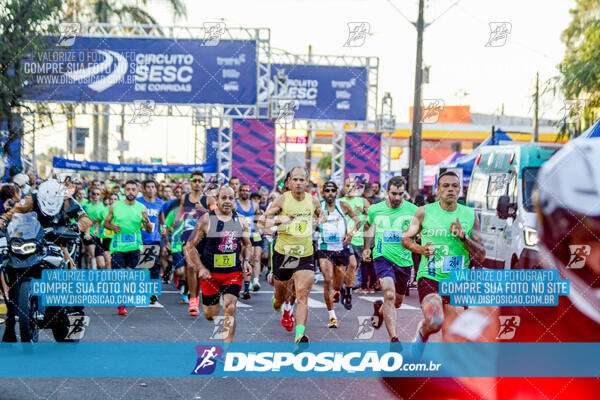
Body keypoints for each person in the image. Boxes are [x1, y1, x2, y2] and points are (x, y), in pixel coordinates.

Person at [401, 171, 486, 342]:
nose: (450, 189)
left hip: (457, 280)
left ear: (460, 190)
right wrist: (421, 249)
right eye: (445, 186)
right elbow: (405, 239)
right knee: (434, 322)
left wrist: (464, 237)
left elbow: (481, 254)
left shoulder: (470, 215)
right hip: (430, 276)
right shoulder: (423, 212)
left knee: (451, 335)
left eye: (455, 186)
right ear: (438, 190)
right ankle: (423, 333)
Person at [258, 167, 325, 344]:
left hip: (305, 254)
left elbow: (321, 214)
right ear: (289, 182)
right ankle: (282, 306)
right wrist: (281, 220)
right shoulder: (281, 200)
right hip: (285, 253)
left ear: (307, 182)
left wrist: (321, 218)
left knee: (302, 294)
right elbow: (261, 221)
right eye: (295, 179)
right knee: (280, 297)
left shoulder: (313, 201)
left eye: (302, 180)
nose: (298, 183)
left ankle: (300, 335)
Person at [183, 186, 252, 343]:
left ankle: (226, 351)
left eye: (230, 198)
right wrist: (200, 268)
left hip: (233, 273)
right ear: (217, 199)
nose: (227, 201)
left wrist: (247, 261)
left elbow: (247, 244)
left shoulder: (240, 220)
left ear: (234, 200)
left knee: (230, 307)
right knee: (210, 314)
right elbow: (190, 245)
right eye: (224, 198)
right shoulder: (206, 220)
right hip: (210, 274)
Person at [362, 176, 418, 342]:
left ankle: (380, 310)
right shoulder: (375, 209)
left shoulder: (413, 210)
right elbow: (367, 226)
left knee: (397, 302)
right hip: (382, 256)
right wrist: (367, 248)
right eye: (394, 193)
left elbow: (419, 231)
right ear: (387, 192)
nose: (397, 197)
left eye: (401, 194)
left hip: (404, 260)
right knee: (389, 294)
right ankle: (394, 338)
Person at [103, 180, 153, 316]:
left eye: (133, 189)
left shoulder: (142, 207)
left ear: (138, 191)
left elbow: (148, 230)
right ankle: (121, 305)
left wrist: (147, 221)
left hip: (134, 247)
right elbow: (105, 223)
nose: (131, 192)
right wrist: (113, 227)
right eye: (128, 189)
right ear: (124, 191)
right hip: (118, 247)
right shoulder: (115, 206)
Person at [317, 181, 361, 328]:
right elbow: (310, 222)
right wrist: (317, 223)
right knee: (328, 279)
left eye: (332, 191)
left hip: (340, 249)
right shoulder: (318, 207)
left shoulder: (343, 206)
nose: (330, 193)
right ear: (323, 192)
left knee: (337, 283)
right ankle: (332, 317)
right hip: (324, 248)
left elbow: (358, 220)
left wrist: (351, 234)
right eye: (327, 190)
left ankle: (341, 290)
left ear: (336, 192)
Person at [176, 171, 216, 316]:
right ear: (190, 182)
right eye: (194, 180)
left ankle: (199, 296)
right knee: (191, 267)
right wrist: (173, 225)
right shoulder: (184, 198)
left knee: (202, 269)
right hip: (188, 236)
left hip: (204, 238)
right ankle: (193, 300)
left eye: (200, 180)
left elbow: (216, 216)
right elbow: (181, 214)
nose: (197, 183)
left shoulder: (209, 199)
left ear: (203, 182)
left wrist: (204, 210)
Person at [340, 178, 371, 299]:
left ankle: (344, 286)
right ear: (344, 187)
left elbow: (372, 214)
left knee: (354, 266)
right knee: (349, 265)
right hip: (344, 239)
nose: (350, 188)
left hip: (359, 239)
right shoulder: (339, 202)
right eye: (347, 186)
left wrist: (363, 211)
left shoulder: (362, 201)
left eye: (352, 186)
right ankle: (345, 288)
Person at [136, 179, 164, 305]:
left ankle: (152, 292)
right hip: (140, 238)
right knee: (143, 266)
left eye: (153, 187)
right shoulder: (138, 203)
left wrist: (164, 236)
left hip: (154, 238)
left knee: (154, 266)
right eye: (148, 187)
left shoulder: (160, 203)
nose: (151, 189)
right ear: (143, 189)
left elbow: (163, 222)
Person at [235, 183, 264, 298]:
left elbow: (258, 219)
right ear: (239, 191)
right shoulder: (235, 204)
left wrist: (259, 229)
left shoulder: (255, 205)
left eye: (247, 190)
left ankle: (247, 288)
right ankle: (237, 286)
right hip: (238, 235)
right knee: (239, 261)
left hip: (251, 235)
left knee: (249, 259)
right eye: (243, 190)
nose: (245, 191)